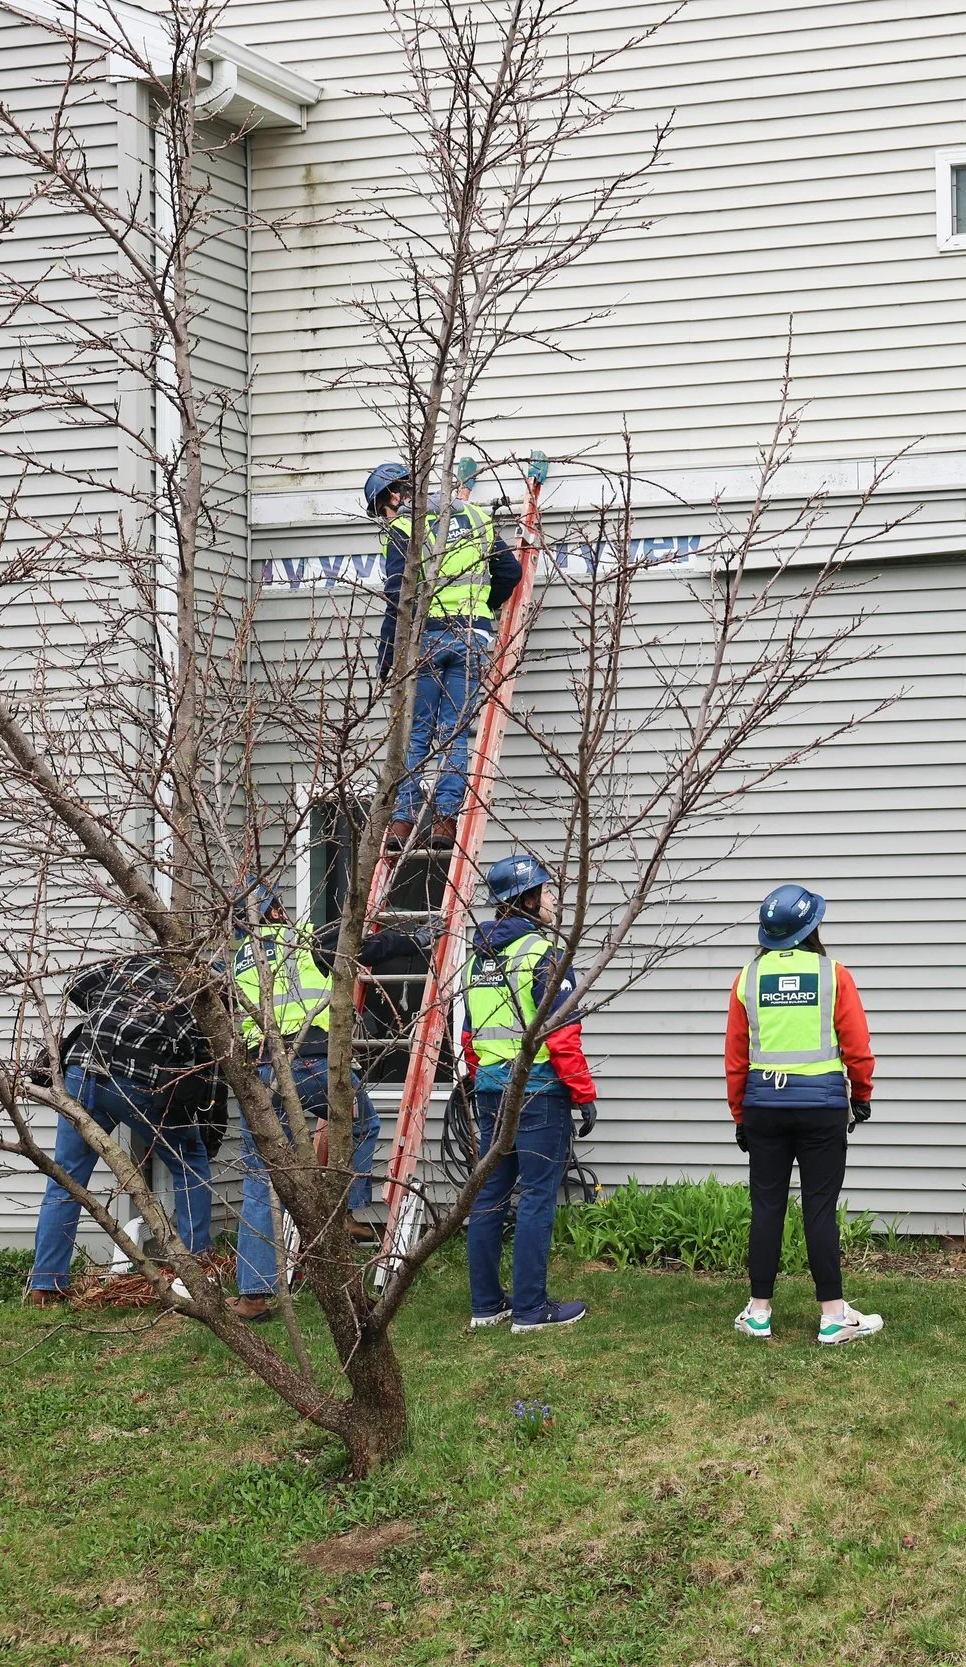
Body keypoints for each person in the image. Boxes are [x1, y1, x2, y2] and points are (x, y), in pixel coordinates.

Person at [225, 880, 395, 1322]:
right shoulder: (305, 941)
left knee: (261, 1179)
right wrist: (416, 940)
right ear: (278, 912)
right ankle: (343, 1211)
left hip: (262, 1074)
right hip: (315, 1064)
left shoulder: (234, 961)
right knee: (361, 1124)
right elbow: (367, 948)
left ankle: (253, 1295)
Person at [725, 884, 880, 1344]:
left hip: (763, 1109)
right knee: (820, 1207)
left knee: (766, 1207)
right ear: (812, 927)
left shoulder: (747, 978)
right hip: (822, 1108)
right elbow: (857, 1047)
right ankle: (833, 1316)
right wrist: (862, 1095)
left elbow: (736, 1058)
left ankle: (758, 1313)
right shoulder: (834, 975)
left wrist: (740, 1114)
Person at [460, 854, 600, 1334]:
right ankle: (530, 1309)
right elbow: (561, 1034)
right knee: (539, 1196)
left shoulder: (478, 958)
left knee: (491, 1195)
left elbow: (469, 1038)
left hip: (491, 1093)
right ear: (525, 899)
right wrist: (582, 1094)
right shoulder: (542, 955)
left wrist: (485, 1081)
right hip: (539, 1092)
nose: (554, 899)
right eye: (547, 891)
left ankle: (485, 1306)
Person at [27, 950, 216, 1304]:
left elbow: (74, 985)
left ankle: (45, 1286)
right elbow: (199, 1047)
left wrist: (111, 1010)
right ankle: (198, 1265)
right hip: (138, 1080)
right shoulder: (200, 985)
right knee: (190, 1162)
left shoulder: (133, 963)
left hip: (83, 1070)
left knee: (67, 1178)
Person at [364, 461, 522, 849]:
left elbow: (397, 604)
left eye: (383, 510)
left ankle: (402, 822)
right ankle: (445, 822)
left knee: (417, 734)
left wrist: (387, 660)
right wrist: (482, 611)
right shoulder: (473, 515)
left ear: (394, 496)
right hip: (471, 638)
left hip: (428, 641)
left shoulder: (404, 530)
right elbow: (510, 573)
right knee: (454, 735)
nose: (386, 518)